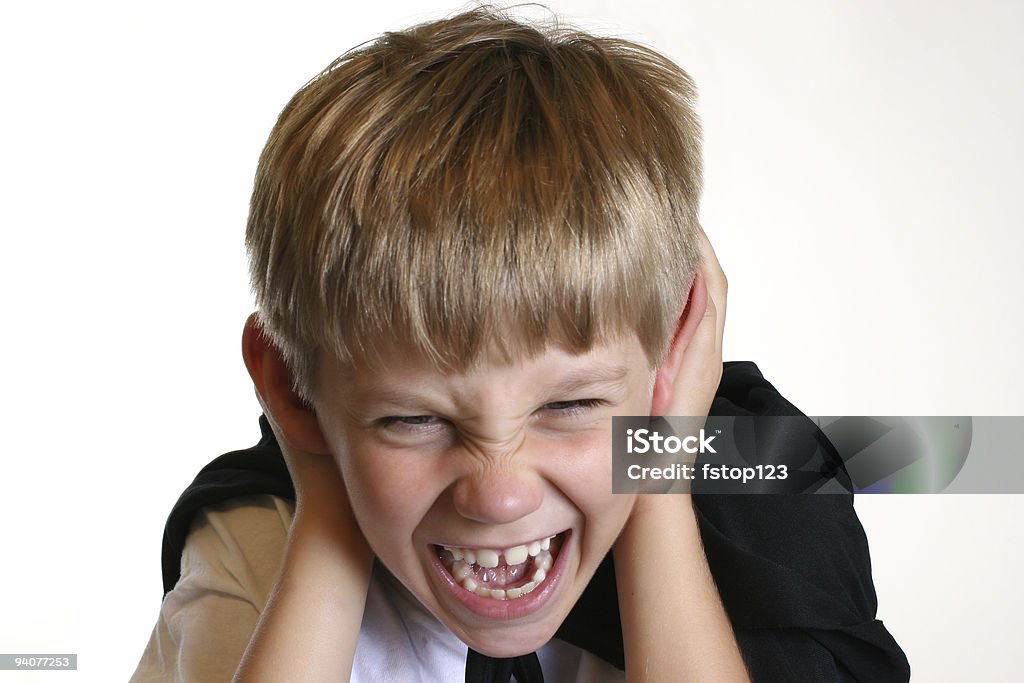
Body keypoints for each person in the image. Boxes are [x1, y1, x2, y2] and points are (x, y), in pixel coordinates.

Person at [131, 8, 909, 681]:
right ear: (295, 390)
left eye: (569, 403)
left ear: (674, 352)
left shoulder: (775, 521)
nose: (498, 494)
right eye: (411, 419)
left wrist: (656, 469)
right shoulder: (253, 547)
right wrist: (329, 508)